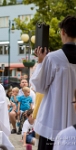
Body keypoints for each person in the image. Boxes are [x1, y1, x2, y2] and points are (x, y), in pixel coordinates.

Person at [30, 15, 76, 150]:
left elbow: (39, 86)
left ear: (63, 32)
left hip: (53, 121)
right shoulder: (54, 58)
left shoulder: (53, 58)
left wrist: (40, 61)